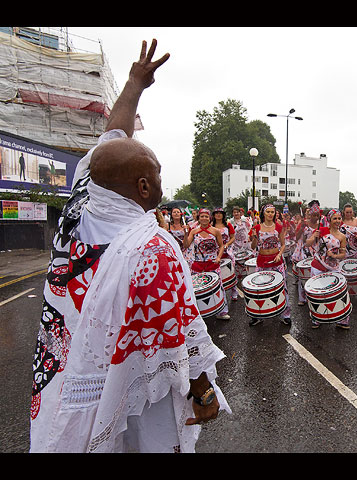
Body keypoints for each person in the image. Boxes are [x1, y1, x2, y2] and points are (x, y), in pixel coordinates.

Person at [30, 40, 230, 453]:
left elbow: (111, 139)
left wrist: (135, 83)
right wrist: (204, 393)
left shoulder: (80, 199)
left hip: (69, 381)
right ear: (143, 187)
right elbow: (180, 328)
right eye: (157, 175)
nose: (161, 182)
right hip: (133, 392)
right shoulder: (152, 246)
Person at [183, 208, 231, 320]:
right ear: (198, 218)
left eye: (206, 216)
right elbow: (186, 245)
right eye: (202, 216)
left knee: (218, 287)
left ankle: (222, 312)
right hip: (198, 264)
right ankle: (198, 312)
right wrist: (185, 233)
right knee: (197, 289)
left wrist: (219, 257)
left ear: (210, 218)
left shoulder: (216, 231)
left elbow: (221, 246)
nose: (204, 218)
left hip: (212, 263)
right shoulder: (194, 231)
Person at [249, 204, 291, 326]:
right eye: (268, 212)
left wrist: (280, 254)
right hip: (262, 261)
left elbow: (283, 244)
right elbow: (253, 246)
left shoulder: (279, 227)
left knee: (282, 287)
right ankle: (257, 315)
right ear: (264, 213)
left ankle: (285, 314)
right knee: (259, 289)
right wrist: (255, 238)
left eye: (272, 212)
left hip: (276, 261)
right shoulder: (257, 227)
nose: (270, 214)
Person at [308, 208, 349, 329]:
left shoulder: (342, 236)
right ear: (329, 220)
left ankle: (342, 319)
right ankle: (317, 318)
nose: (337, 221)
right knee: (317, 293)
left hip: (333, 268)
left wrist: (334, 256)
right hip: (318, 266)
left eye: (339, 218)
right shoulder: (322, 230)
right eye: (334, 218)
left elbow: (343, 255)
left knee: (338, 293)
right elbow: (308, 243)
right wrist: (313, 237)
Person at [291, 206, 319, 305]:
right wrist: (302, 227)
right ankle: (301, 298)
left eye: (317, 215)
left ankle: (313, 297)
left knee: (315, 275)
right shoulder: (304, 224)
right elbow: (297, 237)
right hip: (305, 251)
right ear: (310, 215)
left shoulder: (320, 225)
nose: (315, 217)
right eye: (313, 215)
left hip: (317, 252)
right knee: (303, 276)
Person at [211, 206, 239, 302]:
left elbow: (232, 237)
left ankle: (234, 291)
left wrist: (227, 244)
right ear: (214, 215)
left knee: (230, 272)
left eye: (220, 213)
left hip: (227, 252)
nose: (218, 215)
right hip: (215, 253)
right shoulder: (210, 226)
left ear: (223, 215)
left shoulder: (228, 225)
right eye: (216, 213)